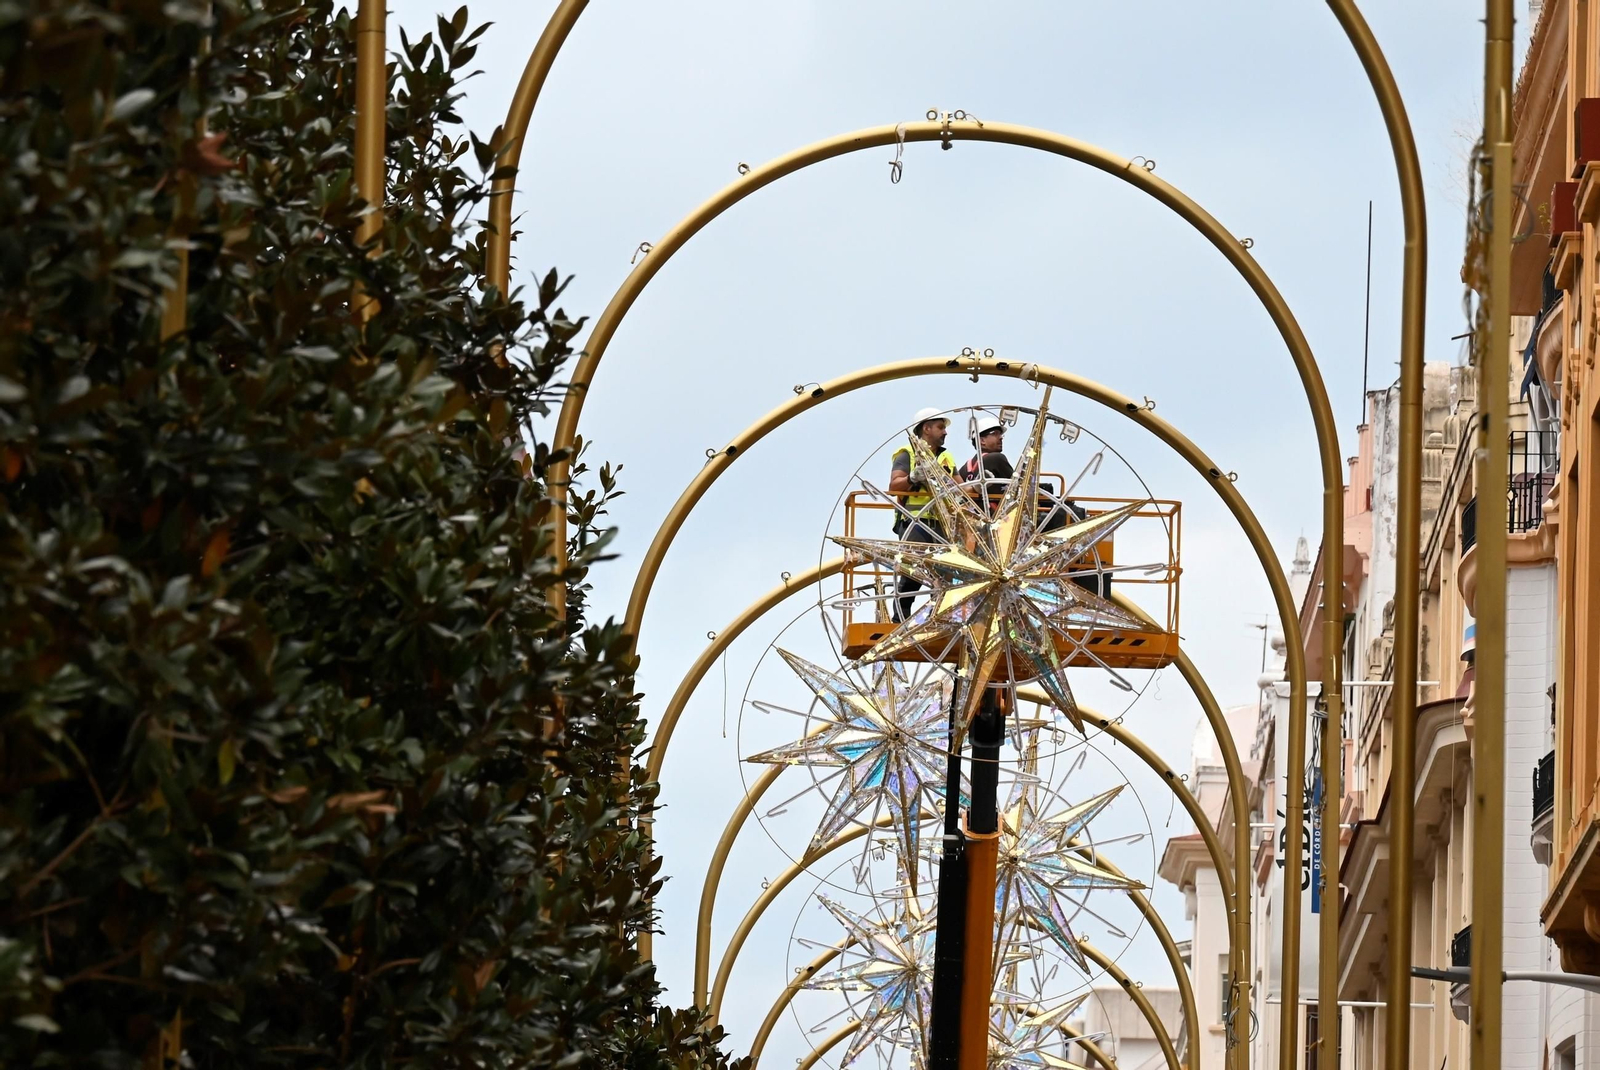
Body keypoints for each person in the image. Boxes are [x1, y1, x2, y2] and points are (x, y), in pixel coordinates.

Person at [888, 407, 957, 621]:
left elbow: (961, 488)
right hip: (915, 522)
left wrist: (981, 487)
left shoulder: (946, 457)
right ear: (926, 428)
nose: (945, 432)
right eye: (940, 427)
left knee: (944, 576)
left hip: (941, 525)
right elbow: (894, 486)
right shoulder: (906, 454)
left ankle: (941, 619)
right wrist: (912, 477)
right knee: (912, 573)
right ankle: (900, 619)